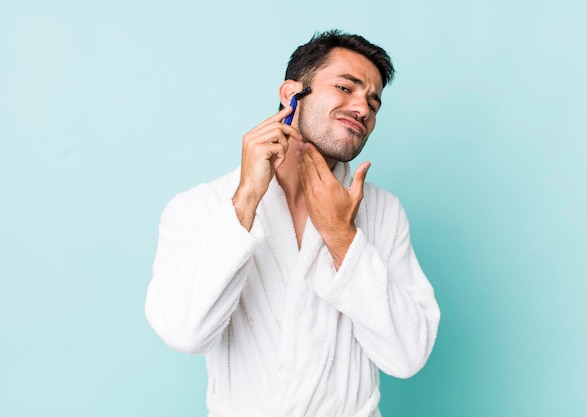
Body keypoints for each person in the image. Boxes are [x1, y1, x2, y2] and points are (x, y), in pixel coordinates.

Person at [145, 29, 440, 417]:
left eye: (373, 101)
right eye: (345, 87)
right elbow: (184, 332)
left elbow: (408, 355)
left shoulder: (383, 211)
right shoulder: (199, 207)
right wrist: (247, 197)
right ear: (292, 94)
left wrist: (343, 238)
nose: (363, 108)